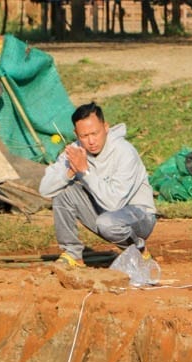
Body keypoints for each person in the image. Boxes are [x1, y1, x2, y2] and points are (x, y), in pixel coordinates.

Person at [39, 102, 156, 267]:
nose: (91, 141)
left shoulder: (124, 152)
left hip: (138, 215)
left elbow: (114, 204)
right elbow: (45, 190)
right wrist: (70, 172)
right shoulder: (75, 152)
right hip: (103, 213)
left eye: (95, 133)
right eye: (84, 136)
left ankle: (139, 250)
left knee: (107, 223)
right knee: (62, 192)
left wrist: (85, 172)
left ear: (106, 127)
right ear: (76, 134)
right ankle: (73, 253)